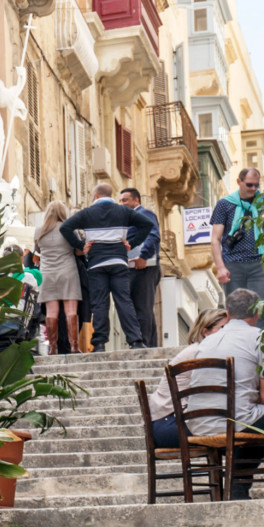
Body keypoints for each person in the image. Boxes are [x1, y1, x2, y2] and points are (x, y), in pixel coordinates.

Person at [180, 289, 264, 499]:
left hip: (197, 421)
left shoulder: (207, 341)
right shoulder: (259, 337)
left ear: (228, 313)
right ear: (257, 312)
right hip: (236, 418)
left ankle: (237, 493)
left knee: (258, 423)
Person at [60, 181, 158, 352]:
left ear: (96, 196)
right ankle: (135, 340)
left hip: (96, 264)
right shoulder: (124, 211)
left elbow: (65, 227)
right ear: (110, 195)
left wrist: (81, 245)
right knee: (124, 301)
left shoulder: (87, 213)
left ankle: (99, 344)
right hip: (119, 262)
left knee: (100, 304)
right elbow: (147, 225)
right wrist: (131, 243)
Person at [144, 306, 229, 441]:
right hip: (170, 423)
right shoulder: (200, 352)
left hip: (173, 421)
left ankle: (229, 461)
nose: (228, 334)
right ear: (205, 332)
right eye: (223, 328)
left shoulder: (200, 350)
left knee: (239, 439)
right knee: (239, 439)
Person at [210, 167, 264, 302]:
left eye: (257, 185)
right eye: (249, 184)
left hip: (260, 265)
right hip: (233, 265)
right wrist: (220, 268)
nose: (254, 188)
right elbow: (215, 239)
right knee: (237, 310)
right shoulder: (225, 204)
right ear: (239, 181)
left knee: (259, 310)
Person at [33, 200, 82, 355]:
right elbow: (78, 249)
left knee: (51, 313)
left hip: (47, 273)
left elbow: (37, 251)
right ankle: (74, 346)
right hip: (67, 271)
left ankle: (53, 347)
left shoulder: (39, 231)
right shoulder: (68, 229)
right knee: (70, 311)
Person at [119, 187, 162, 348]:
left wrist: (144, 256)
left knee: (142, 307)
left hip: (144, 267)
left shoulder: (144, 214)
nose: (122, 203)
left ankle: (143, 342)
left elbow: (154, 235)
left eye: (125, 200)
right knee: (144, 307)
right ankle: (149, 344)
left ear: (136, 200)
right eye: (121, 200)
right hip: (136, 267)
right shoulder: (129, 219)